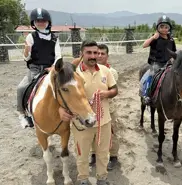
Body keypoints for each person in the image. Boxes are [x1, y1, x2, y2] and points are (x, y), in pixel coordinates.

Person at [60, 40, 118, 185]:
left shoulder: (106, 71)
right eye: (89, 53)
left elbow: (115, 90)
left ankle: (102, 178)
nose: (93, 56)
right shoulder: (73, 74)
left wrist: (107, 93)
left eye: (96, 53)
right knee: (82, 154)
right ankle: (83, 178)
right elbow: (61, 95)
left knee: (103, 153)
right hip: (81, 124)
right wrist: (60, 109)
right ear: (82, 54)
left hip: (103, 122)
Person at [17, 8, 61, 128]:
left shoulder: (54, 38)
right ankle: (23, 115)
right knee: (21, 88)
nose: (40, 23)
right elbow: (26, 58)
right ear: (34, 23)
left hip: (50, 69)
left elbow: (58, 56)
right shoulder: (30, 37)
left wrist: (53, 67)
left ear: (48, 22)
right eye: (38, 21)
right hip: (35, 69)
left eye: (43, 21)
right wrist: (26, 52)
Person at [89, 44, 120, 170]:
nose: (100, 56)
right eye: (98, 53)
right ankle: (94, 154)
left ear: (107, 56)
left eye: (103, 54)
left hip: (108, 109)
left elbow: (112, 91)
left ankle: (113, 156)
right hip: (92, 108)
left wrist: (105, 94)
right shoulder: (88, 70)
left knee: (111, 133)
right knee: (92, 132)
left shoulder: (111, 72)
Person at [140, 15, 177, 104]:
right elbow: (144, 45)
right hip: (156, 63)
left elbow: (173, 51)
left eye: (166, 27)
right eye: (162, 27)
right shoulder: (155, 38)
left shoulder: (171, 40)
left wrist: (172, 59)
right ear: (158, 27)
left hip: (168, 63)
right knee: (151, 75)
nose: (164, 29)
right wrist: (153, 38)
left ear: (169, 28)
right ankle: (146, 94)